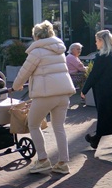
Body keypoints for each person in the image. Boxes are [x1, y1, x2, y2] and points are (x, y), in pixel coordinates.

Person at [12, 20, 76, 175]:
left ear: (37, 36)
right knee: (59, 127)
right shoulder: (59, 50)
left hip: (45, 95)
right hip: (63, 94)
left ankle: (42, 160)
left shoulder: (37, 52)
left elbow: (24, 71)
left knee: (33, 124)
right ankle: (63, 163)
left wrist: (16, 86)